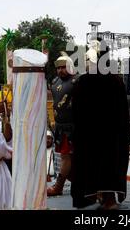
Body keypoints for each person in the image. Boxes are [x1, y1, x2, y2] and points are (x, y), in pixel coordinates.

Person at [71, 43, 130, 210]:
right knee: (110, 165)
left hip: (91, 135)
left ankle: (103, 198)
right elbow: (123, 113)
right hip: (112, 135)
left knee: (93, 166)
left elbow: (77, 111)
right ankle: (108, 198)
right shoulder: (116, 81)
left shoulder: (84, 81)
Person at [47, 54, 78, 197]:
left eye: (63, 67)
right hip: (60, 126)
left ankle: (59, 186)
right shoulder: (54, 82)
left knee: (67, 157)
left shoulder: (78, 81)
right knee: (68, 158)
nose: (60, 70)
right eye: (58, 68)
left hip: (75, 126)